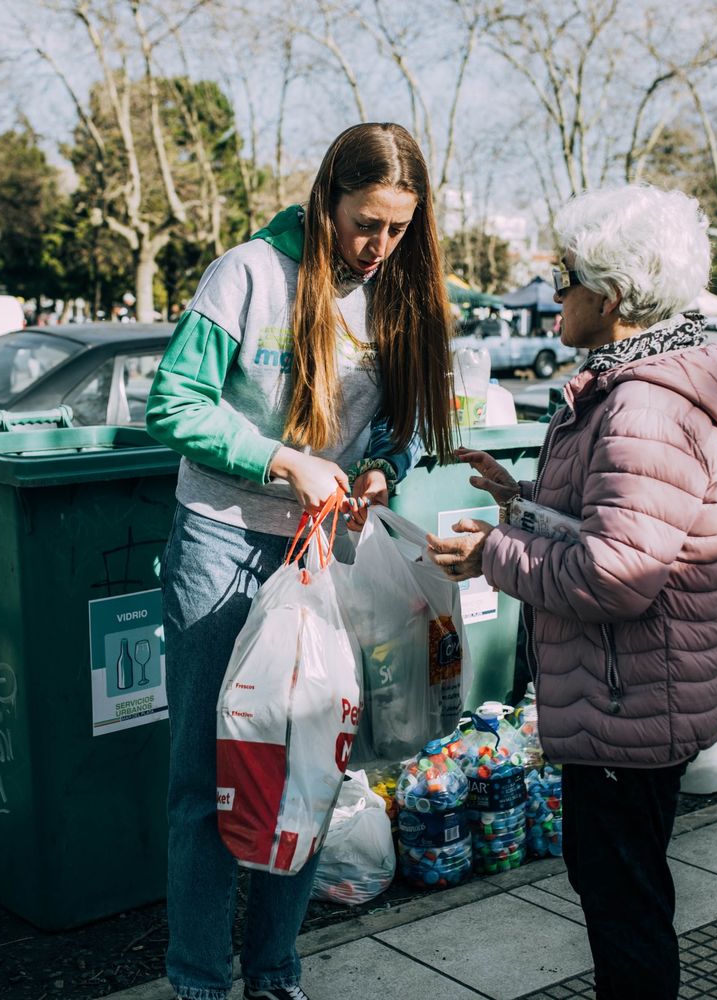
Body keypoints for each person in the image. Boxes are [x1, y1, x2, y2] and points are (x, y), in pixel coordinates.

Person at [425, 184, 717, 1000]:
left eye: (566, 278)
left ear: (611, 298)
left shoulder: (641, 407)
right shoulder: (630, 386)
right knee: (620, 892)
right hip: (635, 694)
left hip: (629, 704)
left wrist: (491, 556)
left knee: (625, 911)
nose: (554, 296)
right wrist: (518, 502)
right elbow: (606, 525)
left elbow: (618, 575)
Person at [144, 122, 456, 1000]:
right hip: (221, 543)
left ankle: (275, 970)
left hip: (320, 554)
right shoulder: (247, 275)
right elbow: (172, 405)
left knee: (309, 764)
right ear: (328, 200)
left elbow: (399, 421)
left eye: (400, 229)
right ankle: (199, 979)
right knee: (213, 772)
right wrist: (280, 460)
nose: (380, 247)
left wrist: (381, 468)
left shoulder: (395, 291)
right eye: (367, 224)